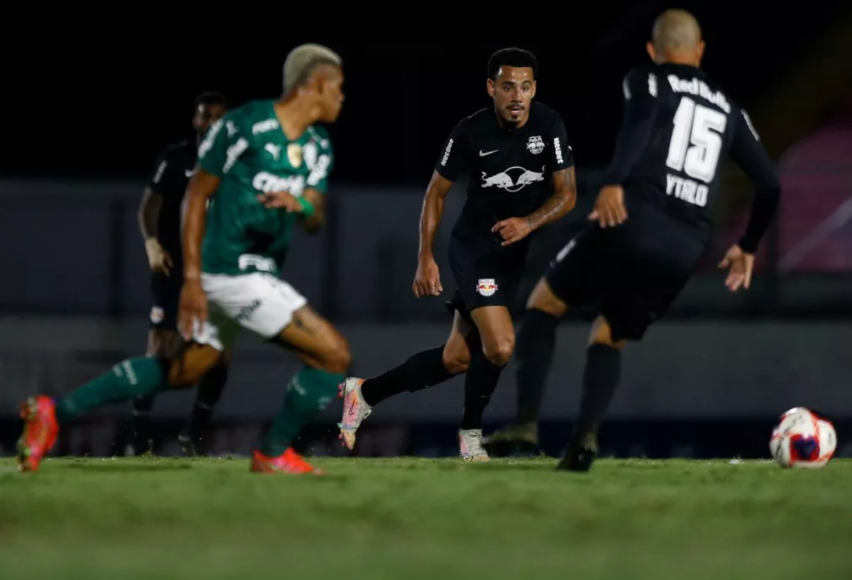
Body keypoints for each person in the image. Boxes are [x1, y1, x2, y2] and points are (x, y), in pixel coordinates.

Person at [17, 44, 350, 475]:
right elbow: (196, 197)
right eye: (338, 88)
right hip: (231, 271)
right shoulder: (245, 125)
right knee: (334, 355)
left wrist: (301, 205)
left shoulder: (318, 146)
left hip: (256, 272)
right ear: (316, 85)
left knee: (184, 370)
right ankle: (272, 453)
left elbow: (316, 216)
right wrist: (192, 280)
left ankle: (52, 412)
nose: (342, 97)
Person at [491, 9, 782, 471]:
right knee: (610, 332)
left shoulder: (647, 80)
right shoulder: (729, 108)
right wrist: (747, 245)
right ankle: (584, 437)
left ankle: (526, 423)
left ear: (653, 50)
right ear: (700, 50)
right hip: (685, 247)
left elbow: (640, 122)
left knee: (545, 302)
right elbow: (770, 185)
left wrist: (613, 181)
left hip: (633, 216)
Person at [337, 47, 577, 461]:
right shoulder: (470, 132)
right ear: (491, 89)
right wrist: (425, 256)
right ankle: (471, 438)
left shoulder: (549, 124)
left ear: (534, 88)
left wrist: (528, 223)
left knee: (457, 358)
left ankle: (364, 392)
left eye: (524, 87)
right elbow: (436, 192)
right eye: (507, 87)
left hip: (510, 253)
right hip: (475, 248)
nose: (517, 96)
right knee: (500, 346)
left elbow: (567, 194)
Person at [130, 91, 230, 457]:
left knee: (221, 353)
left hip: (216, 271)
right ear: (196, 120)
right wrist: (151, 243)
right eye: (205, 117)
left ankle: (193, 434)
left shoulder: (237, 165)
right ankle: (138, 436)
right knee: (160, 346)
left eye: (217, 118)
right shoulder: (176, 158)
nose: (210, 124)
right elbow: (149, 206)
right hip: (174, 265)